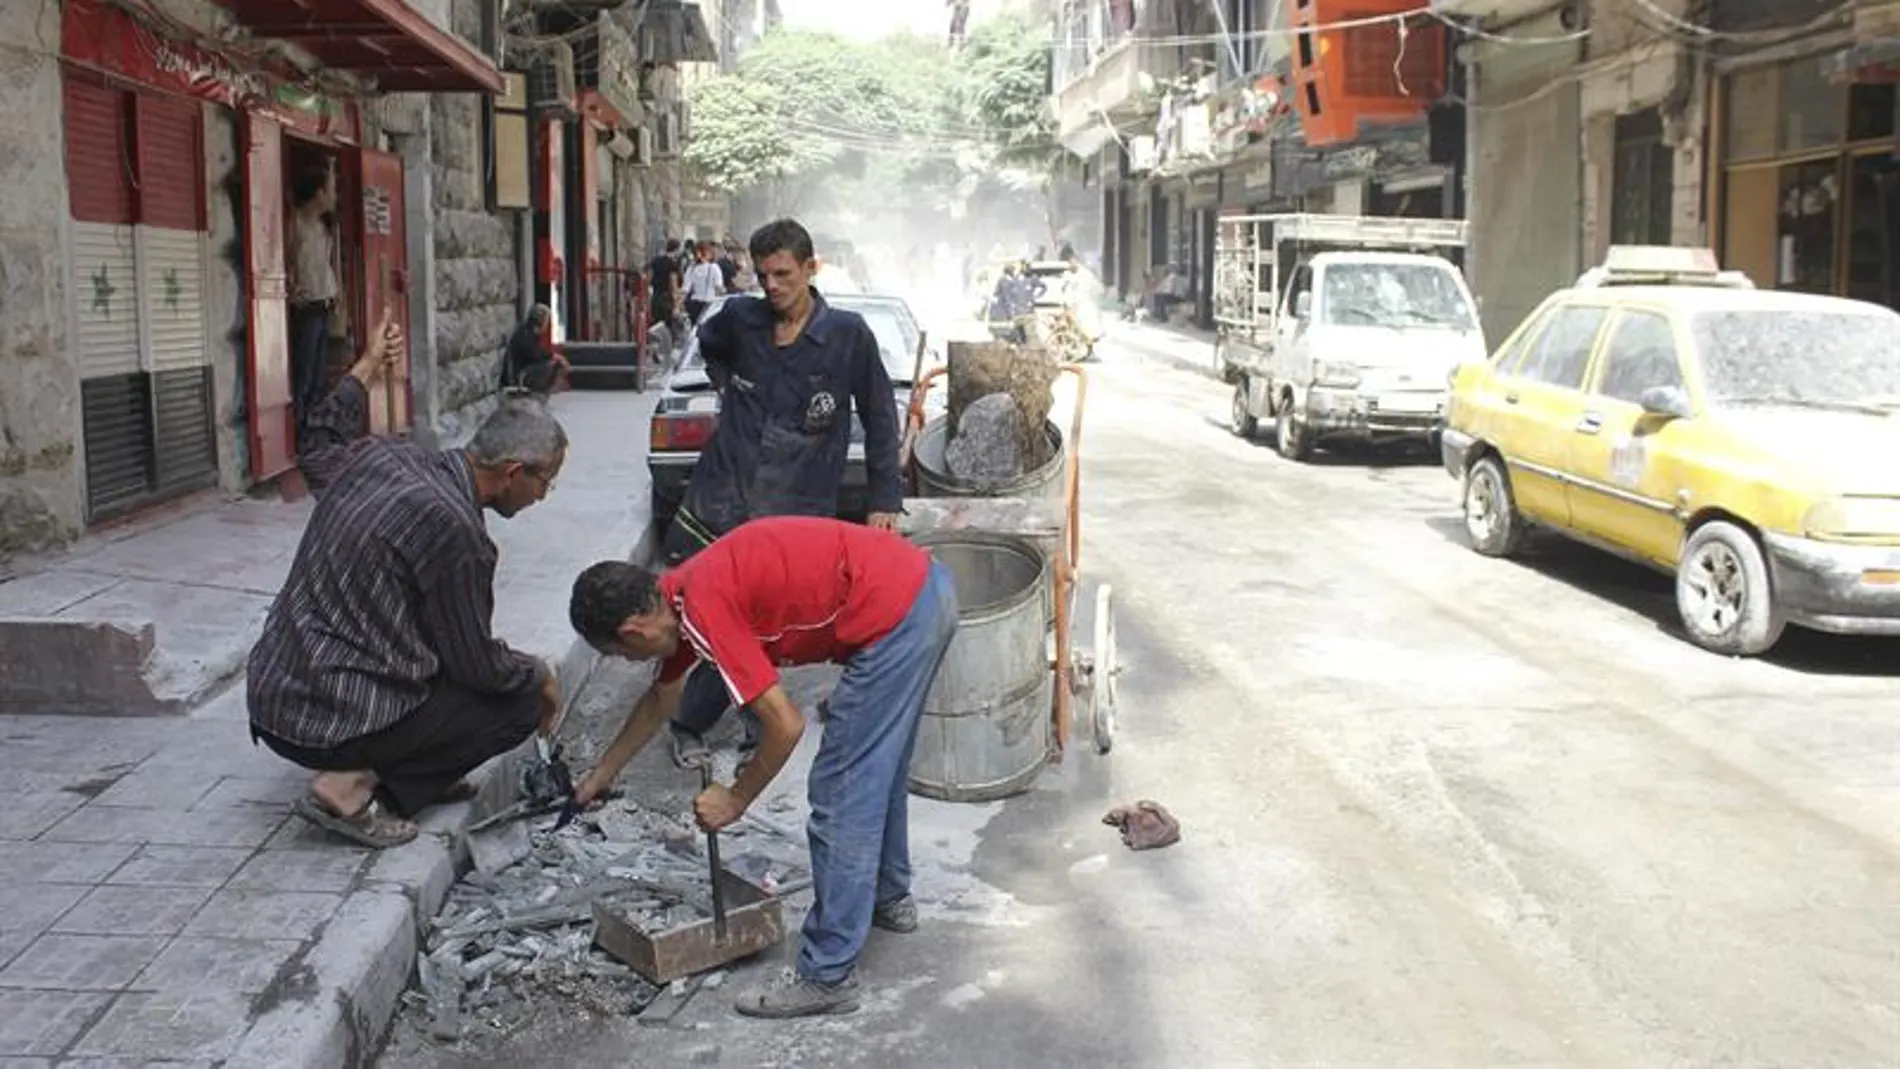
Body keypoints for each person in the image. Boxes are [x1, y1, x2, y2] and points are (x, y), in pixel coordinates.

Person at [566, 516, 959, 1018]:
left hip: (898, 616)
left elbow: (785, 725)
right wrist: (604, 773)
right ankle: (888, 897)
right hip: (925, 588)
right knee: (875, 768)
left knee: (841, 791)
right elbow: (662, 696)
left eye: (621, 653)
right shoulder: (678, 595)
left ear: (633, 630)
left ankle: (827, 975)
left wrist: (736, 797)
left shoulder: (705, 610)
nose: (627, 662)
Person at [247, 309, 570, 849]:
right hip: (328, 715)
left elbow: (319, 442)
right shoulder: (459, 534)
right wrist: (538, 673)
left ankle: (414, 774)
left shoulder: (384, 456)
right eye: (545, 484)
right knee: (514, 704)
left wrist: (368, 366)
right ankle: (348, 786)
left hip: (274, 693)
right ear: (514, 472)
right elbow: (476, 664)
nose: (543, 498)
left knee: (447, 666)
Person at [659, 218, 905, 768]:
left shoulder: (847, 336)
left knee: (761, 626)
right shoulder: (740, 320)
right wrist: (729, 388)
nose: (772, 286)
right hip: (724, 494)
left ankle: (751, 725)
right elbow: (708, 342)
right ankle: (697, 722)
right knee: (709, 616)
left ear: (810, 269)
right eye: (764, 274)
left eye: (783, 274)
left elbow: (881, 418)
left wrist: (884, 500)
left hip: (797, 507)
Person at [287, 165, 340, 443]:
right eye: (330, 189)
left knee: (320, 374)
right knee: (304, 374)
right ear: (318, 193)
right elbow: (287, 261)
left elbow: (329, 264)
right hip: (305, 305)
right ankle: (298, 434)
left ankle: (315, 434)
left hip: (324, 302)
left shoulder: (324, 226)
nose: (333, 195)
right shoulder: (295, 223)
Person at [501, 304, 566, 395]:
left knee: (552, 362)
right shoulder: (526, 334)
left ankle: (544, 392)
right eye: (547, 320)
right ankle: (541, 392)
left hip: (522, 371)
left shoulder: (529, 332)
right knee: (551, 364)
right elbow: (535, 355)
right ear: (542, 320)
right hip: (518, 377)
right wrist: (554, 356)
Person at [682, 241, 726, 325]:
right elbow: (719, 289)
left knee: (695, 329)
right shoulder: (714, 267)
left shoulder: (691, 268)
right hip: (709, 305)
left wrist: (678, 306)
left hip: (693, 305)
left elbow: (685, 289)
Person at [648, 238, 684, 334]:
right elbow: (673, 284)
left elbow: (649, 278)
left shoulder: (655, 261)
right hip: (666, 299)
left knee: (656, 326)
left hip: (655, 297)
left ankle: (655, 346)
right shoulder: (673, 264)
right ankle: (665, 347)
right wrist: (676, 305)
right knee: (667, 328)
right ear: (676, 250)